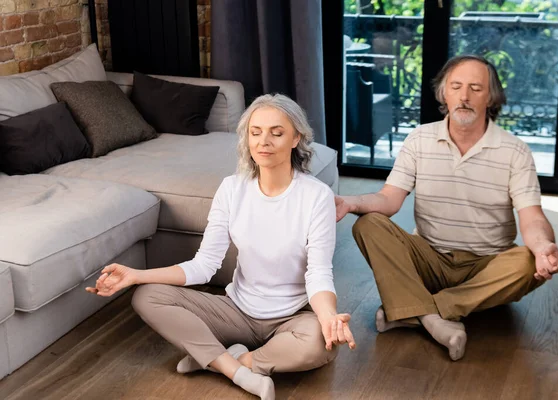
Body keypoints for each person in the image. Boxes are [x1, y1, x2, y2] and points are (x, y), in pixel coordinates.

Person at [86, 94, 356, 400]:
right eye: (255, 132)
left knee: (320, 342)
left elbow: (318, 272)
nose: (263, 141)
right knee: (148, 295)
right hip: (236, 312)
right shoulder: (232, 188)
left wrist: (328, 316)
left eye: (276, 133)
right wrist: (136, 275)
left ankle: (228, 360)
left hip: (291, 317)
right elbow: (204, 266)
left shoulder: (316, 196)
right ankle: (237, 372)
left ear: (296, 138)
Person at [335, 55, 558, 361]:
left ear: (491, 97)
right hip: (429, 259)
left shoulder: (515, 151)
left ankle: (414, 310)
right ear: (445, 93)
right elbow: (389, 200)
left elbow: (532, 217)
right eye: (456, 87)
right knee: (367, 223)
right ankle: (435, 319)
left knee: (526, 262)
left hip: (486, 265)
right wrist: (351, 202)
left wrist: (543, 246)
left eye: (475, 88)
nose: (465, 96)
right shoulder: (419, 139)